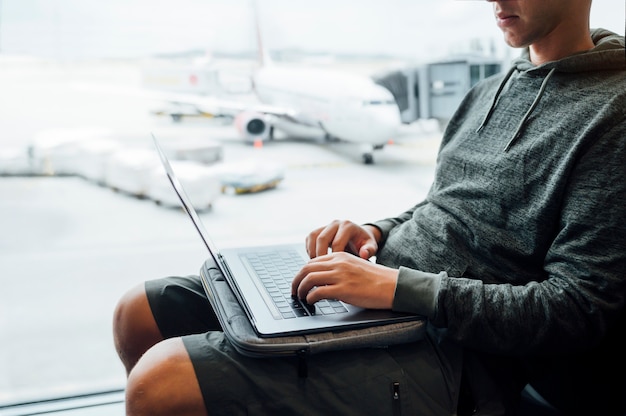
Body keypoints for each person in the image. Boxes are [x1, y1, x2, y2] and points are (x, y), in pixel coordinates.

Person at [113, 1, 626, 415]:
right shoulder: (489, 90)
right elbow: (442, 208)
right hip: (387, 295)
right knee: (140, 312)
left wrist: (395, 288)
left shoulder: (613, 114)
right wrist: (375, 232)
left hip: (462, 351)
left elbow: (578, 310)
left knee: (164, 386)